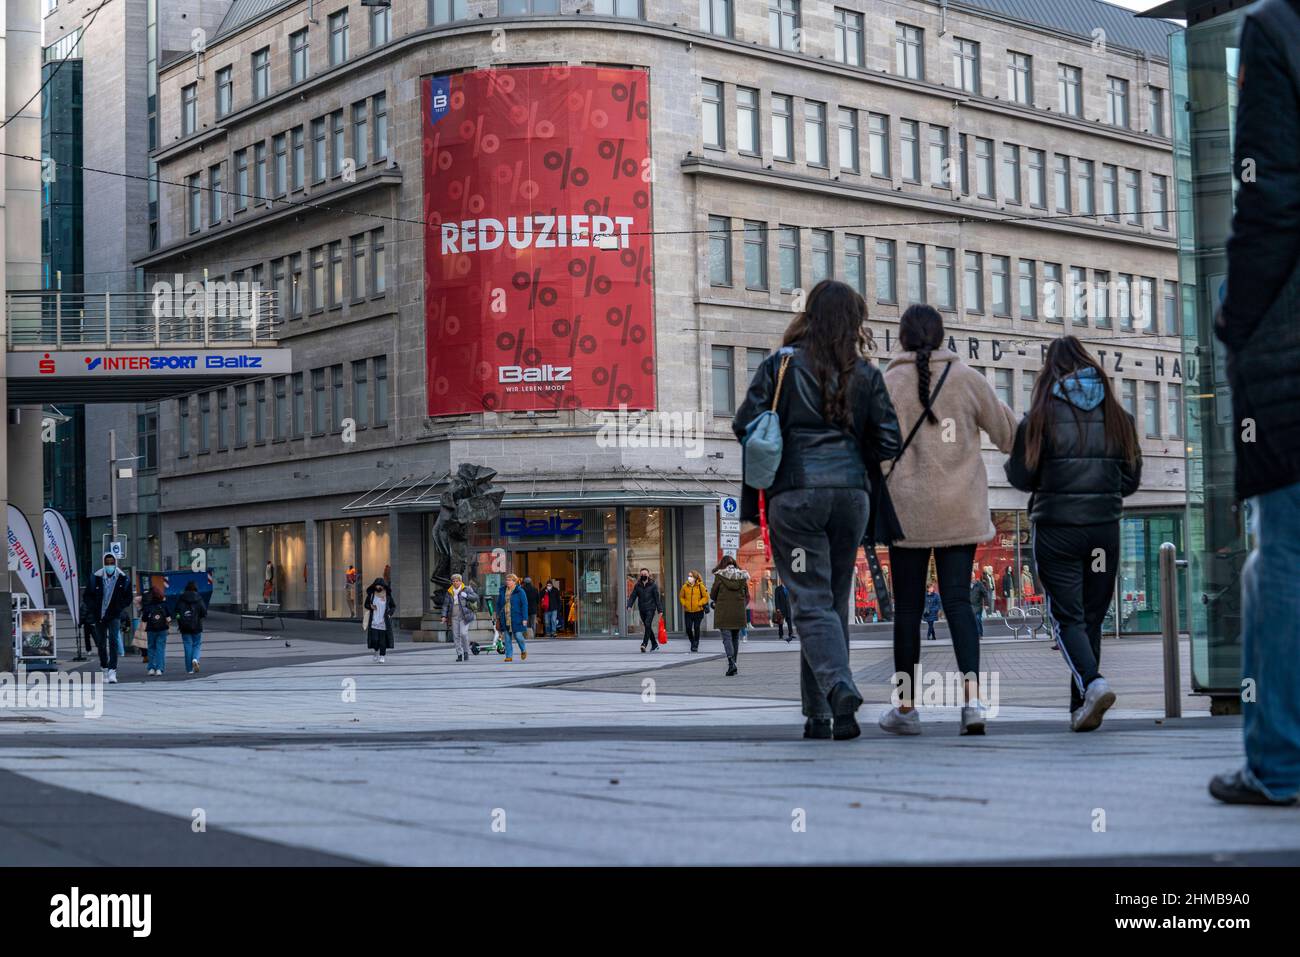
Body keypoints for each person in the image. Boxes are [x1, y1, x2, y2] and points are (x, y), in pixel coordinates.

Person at [733, 279, 902, 739]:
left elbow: (743, 423)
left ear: (809, 315)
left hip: (797, 496)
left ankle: (839, 686)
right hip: (852, 499)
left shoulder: (779, 366)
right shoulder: (865, 373)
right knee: (832, 603)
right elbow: (889, 440)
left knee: (810, 601)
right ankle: (826, 714)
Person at [1207, 0, 1300, 805]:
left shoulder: (1279, 31)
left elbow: (1267, 200)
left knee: (1288, 555)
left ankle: (1281, 761)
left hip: (1294, 344)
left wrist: (1234, 317)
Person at [878, 304, 1018, 737]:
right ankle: (972, 702)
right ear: (941, 337)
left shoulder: (886, 383)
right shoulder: (969, 379)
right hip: (960, 510)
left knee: (908, 610)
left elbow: (872, 446)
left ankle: (905, 708)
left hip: (905, 514)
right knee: (958, 602)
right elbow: (1010, 434)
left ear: (902, 338)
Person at [1006, 335, 1141, 733]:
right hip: (1103, 531)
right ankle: (1080, 705)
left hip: (1057, 530)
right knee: (1093, 618)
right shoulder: (1120, 417)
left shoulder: (1040, 417)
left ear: (1052, 370)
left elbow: (1022, 477)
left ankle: (1093, 685)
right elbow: (1130, 482)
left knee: (1068, 619)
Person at [83, 552, 131, 684]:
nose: (110, 565)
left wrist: (119, 607)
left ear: (115, 563)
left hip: (114, 614)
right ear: (104, 564)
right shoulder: (96, 577)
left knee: (114, 642)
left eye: (112, 563)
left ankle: (112, 670)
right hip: (100, 615)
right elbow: (87, 596)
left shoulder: (122, 577)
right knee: (101, 643)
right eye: (107, 563)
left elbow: (128, 597)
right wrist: (93, 608)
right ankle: (104, 667)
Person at [709, 556, 750, 677]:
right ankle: (734, 664)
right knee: (735, 638)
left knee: (727, 638)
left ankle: (731, 663)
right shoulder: (742, 576)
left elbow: (712, 595)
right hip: (738, 612)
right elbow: (747, 595)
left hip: (723, 612)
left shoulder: (720, 576)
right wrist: (741, 605)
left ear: (722, 564)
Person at [442, 573, 478, 662]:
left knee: (463, 634)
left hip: (464, 615)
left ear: (460, 581)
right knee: (456, 636)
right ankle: (459, 654)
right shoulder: (449, 591)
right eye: (453, 581)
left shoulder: (466, 589)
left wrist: (467, 596)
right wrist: (443, 616)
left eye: (457, 581)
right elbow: (446, 605)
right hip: (454, 615)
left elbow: (475, 597)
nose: (455, 582)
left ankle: (466, 652)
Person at [626, 567, 663, 652]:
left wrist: (660, 610)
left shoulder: (653, 585)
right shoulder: (637, 585)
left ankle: (644, 644)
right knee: (648, 626)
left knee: (647, 624)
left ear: (648, 575)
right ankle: (654, 644)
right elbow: (632, 596)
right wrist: (629, 605)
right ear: (640, 575)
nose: (643, 575)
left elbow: (657, 599)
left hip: (651, 609)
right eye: (642, 574)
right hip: (642, 609)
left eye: (645, 574)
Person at [175, 581, 207, 675]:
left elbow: (176, 612)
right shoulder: (199, 598)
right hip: (197, 625)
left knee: (187, 645)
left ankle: (189, 669)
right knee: (197, 644)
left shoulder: (181, 598)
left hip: (184, 626)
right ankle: (195, 659)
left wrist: (180, 620)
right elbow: (204, 612)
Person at [496, 573, 529, 662]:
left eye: (510, 580)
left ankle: (523, 650)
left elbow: (524, 605)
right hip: (505, 617)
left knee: (518, 636)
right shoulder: (502, 590)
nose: (507, 582)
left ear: (515, 582)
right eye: (507, 580)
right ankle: (508, 656)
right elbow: (499, 604)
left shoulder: (520, 591)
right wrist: (497, 615)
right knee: (507, 638)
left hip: (517, 617)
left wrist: (525, 618)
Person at [363, 578, 397, 663]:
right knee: (374, 639)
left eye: (380, 586)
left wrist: (389, 613)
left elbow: (393, 606)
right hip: (374, 621)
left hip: (384, 622)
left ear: (383, 586)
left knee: (383, 641)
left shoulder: (387, 596)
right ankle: (376, 651)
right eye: (377, 585)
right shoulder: (371, 595)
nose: (378, 587)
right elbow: (366, 605)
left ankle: (382, 656)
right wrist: (370, 606)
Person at [141, 585, 171, 676]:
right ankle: (159, 669)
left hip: (151, 629)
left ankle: (151, 668)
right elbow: (169, 618)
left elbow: (144, 619)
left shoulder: (148, 606)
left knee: (151, 648)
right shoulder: (164, 605)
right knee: (160, 649)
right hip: (162, 629)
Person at [678, 570, 708, 652]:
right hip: (688, 611)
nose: (689, 578)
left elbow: (706, 597)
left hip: (698, 611)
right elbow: (681, 597)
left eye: (691, 576)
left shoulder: (700, 586)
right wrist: (684, 604)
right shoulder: (685, 586)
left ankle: (696, 643)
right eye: (689, 576)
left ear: (695, 577)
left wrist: (699, 603)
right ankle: (692, 641)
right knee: (688, 628)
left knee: (696, 627)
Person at [970, 569, 991, 639]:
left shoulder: (979, 584)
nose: (971, 579)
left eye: (972, 577)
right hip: (969, 606)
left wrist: (986, 604)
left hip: (978, 605)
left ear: (974, 577)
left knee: (977, 619)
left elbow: (985, 594)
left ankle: (979, 634)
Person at [773, 578, 795, 643]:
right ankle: (780, 635)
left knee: (789, 621)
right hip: (781, 608)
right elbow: (776, 599)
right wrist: (777, 608)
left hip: (788, 608)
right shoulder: (778, 589)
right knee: (780, 622)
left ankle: (791, 633)